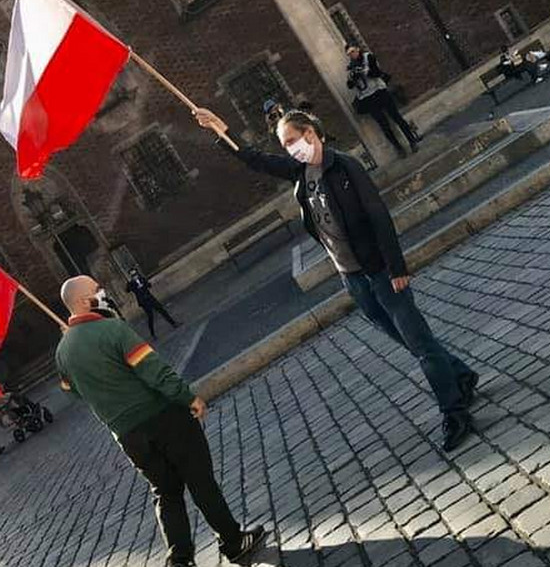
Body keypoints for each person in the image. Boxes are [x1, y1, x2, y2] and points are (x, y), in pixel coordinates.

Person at [194, 107, 479, 451]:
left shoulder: (345, 166)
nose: (289, 150)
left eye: (292, 141)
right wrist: (221, 128)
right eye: (284, 145)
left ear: (310, 134)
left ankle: (455, 411)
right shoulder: (301, 173)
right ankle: (460, 375)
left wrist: (396, 268)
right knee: (408, 340)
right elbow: (256, 160)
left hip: (380, 271)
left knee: (419, 342)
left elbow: (378, 215)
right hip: (353, 278)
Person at [55, 275, 267, 567]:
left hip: (128, 435)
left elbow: (73, 392)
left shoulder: (63, 351)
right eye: (96, 290)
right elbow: (152, 368)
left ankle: (179, 560)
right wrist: (187, 397)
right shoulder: (113, 329)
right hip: (164, 418)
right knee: (200, 480)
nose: (102, 293)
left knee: (165, 493)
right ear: (82, 301)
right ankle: (233, 542)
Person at [346, 46, 420, 156]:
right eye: (349, 54)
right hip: (367, 98)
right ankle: (399, 148)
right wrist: (353, 77)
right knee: (384, 126)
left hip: (380, 91)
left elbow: (376, 72)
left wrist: (365, 72)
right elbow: (350, 85)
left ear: (357, 49)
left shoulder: (368, 57)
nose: (352, 55)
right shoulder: (350, 67)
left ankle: (412, 141)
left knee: (396, 117)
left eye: (353, 51)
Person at [126, 268, 180, 338]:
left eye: (135, 274)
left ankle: (173, 323)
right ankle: (152, 334)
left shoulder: (141, 278)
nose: (135, 275)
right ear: (131, 276)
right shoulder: (131, 283)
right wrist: (131, 283)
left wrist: (145, 283)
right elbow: (127, 290)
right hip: (143, 301)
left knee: (162, 310)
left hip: (150, 298)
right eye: (133, 275)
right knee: (150, 316)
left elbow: (149, 285)